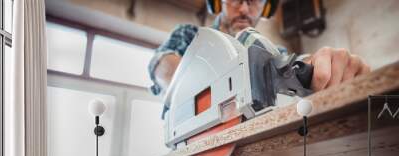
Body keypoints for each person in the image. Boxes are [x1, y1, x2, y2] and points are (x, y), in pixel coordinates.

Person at [148, 0, 370, 97]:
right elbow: (162, 66)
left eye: (255, 1)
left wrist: (320, 67)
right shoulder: (189, 35)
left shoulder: (273, 51)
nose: (245, 9)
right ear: (217, 3)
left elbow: (292, 65)